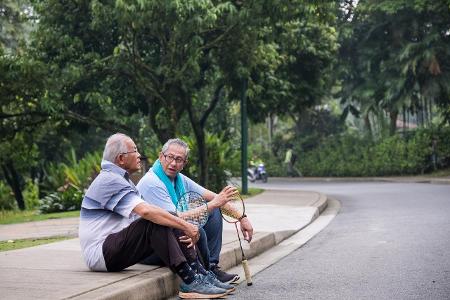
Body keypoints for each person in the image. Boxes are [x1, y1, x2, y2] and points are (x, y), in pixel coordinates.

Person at [78, 133, 237, 299]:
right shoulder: (109, 180)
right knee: (157, 219)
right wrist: (186, 226)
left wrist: (241, 216)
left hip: (115, 249)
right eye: (134, 151)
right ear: (121, 158)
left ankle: (200, 274)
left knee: (168, 218)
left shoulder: (120, 179)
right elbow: (146, 212)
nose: (139, 155)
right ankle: (191, 280)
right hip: (101, 254)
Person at [137, 138, 254, 284]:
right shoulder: (151, 183)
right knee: (199, 228)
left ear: (184, 163)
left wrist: (242, 217)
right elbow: (174, 218)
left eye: (179, 159)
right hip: (152, 249)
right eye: (170, 157)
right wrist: (211, 205)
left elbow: (215, 198)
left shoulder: (180, 179)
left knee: (213, 211)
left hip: (175, 238)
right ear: (161, 156)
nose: (173, 163)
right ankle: (206, 271)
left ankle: (211, 267)